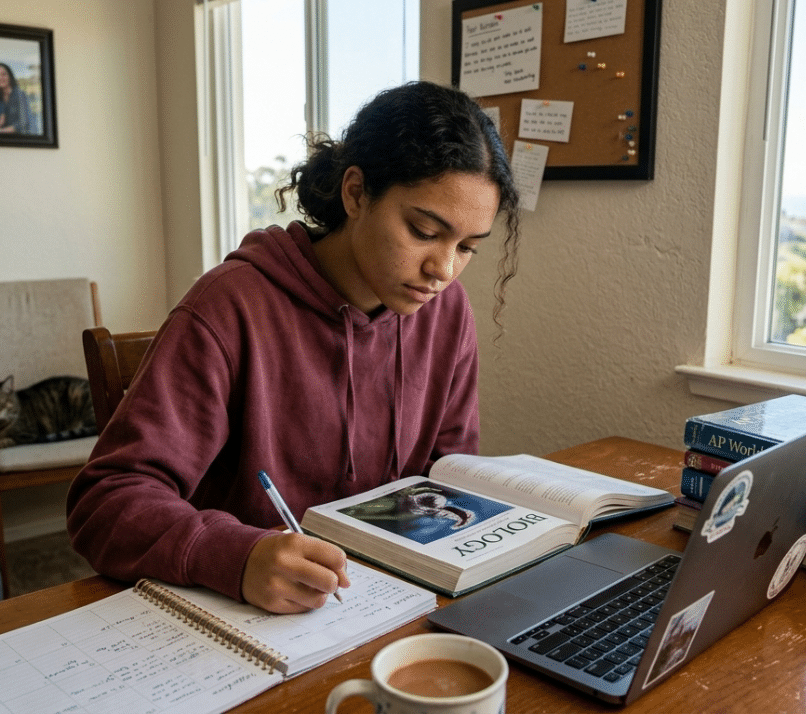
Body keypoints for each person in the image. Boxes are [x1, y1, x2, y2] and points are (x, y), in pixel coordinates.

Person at [66, 81, 522, 615]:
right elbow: (106, 500)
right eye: (424, 231)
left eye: (467, 247)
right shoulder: (231, 306)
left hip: (381, 605)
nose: (443, 270)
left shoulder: (444, 313)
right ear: (356, 193)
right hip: (251, 615)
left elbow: (449, 472)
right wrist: (237, 554)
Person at [0, 63, 32, 134]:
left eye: (4, 74)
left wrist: (2, 131)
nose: (1, 77)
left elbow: (24, 122)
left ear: (9, 76)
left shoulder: (20, 94)